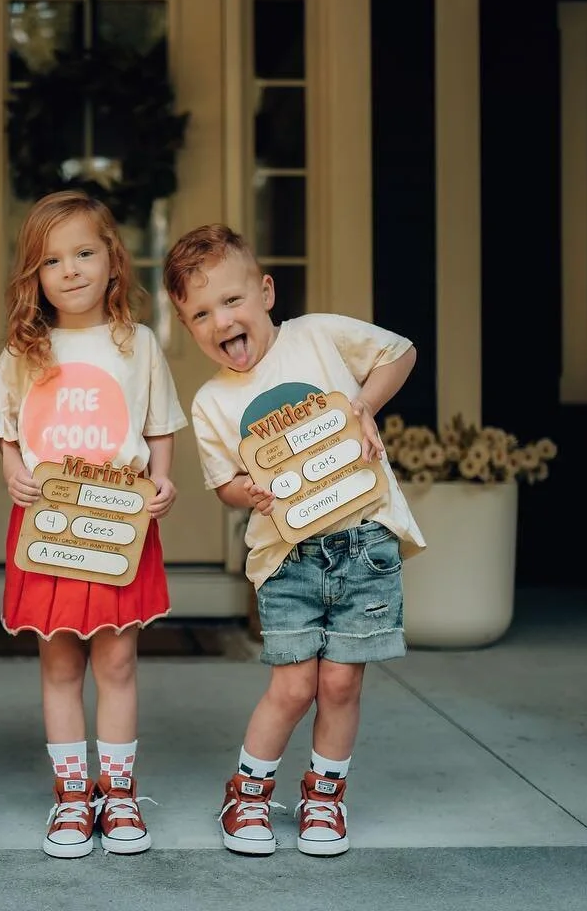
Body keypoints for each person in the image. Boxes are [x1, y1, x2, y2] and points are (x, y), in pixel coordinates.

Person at [163, 223, 425, 857]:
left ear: (266, 293)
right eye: (200, 313)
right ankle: (249, 792)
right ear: (186, 324)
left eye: (232, 301)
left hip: (362, 539)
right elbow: (224, 481)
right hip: (287, 558)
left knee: (340, 683)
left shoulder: (315, 336)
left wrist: (362, 406)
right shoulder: (211, 402)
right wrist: (245, 492)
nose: (221, 321)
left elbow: (401, 352)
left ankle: (324, 796)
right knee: (293, 684)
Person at [0, 190, 187, 858]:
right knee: (58, 663)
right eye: (51, 260)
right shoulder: (25, 350)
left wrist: (162, 477)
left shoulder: (137, 345)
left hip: (117, 527)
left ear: (112, 260)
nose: (69, 269)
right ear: (34, 276)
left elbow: (159, 424)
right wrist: (12, 470)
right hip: (49, 526)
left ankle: (120, 791)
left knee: (118, 659)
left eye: (83, 252)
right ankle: (73, 796)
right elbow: (8, 433)